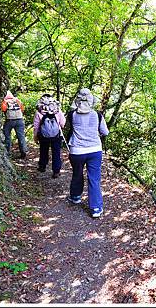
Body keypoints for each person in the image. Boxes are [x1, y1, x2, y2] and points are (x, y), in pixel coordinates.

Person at [65, 88, 109, 218]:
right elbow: (105, 132)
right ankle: (96, 208)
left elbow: (68, 128)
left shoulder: (71, 115)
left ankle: (76, 196)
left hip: (77, 150)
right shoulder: (98, 115)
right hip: (95, 150)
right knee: (94, 179)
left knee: (77, 173)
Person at [33, 94, 66, 178]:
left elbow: (36, 126)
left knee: (43, 150)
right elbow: (62, 123)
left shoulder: (39, 111)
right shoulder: (57, 110)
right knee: (56, 152)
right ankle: (56, 171)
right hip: (56, 135)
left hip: (43, 136)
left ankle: (42, 166)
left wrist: (36, 136)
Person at [1, 91, 28, 158]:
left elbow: (3, 109)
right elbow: (22, 109)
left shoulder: (5, 101)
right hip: (19, 120)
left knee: (7, 136)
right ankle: (23, 152)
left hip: (9, 121)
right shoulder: (17, 100)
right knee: (21, 137)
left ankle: (8, 152)